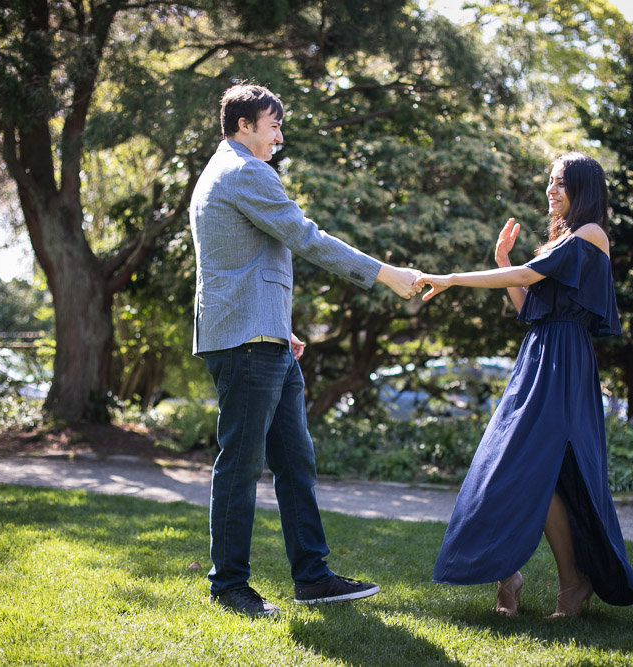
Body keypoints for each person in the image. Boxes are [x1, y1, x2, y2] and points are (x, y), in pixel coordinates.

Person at [190, 83, 423, 618]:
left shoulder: (220, 171)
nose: (279, 136)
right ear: (245, 124)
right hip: (248, 345)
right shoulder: (246, 171)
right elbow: (306, 237)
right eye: (273, 125)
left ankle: (313, 578)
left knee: (295, 460)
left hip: (263, 336)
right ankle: (229, 587)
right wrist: (386, 274)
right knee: (241, 466)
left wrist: (280, 323)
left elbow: (240, 261)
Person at [414, 152, 633, 618]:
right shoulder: (561, 240)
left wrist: (454, 278)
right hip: (540, 355)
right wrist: (502, 260)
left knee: (535, 469)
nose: (551, 190)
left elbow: (528, 276)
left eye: (561, 183)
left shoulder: (591, 234)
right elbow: (529, 306)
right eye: (550, 182)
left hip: (564, 363)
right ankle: (515, 576)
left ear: (585, 189)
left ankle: (571, 583)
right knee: (510, 464)